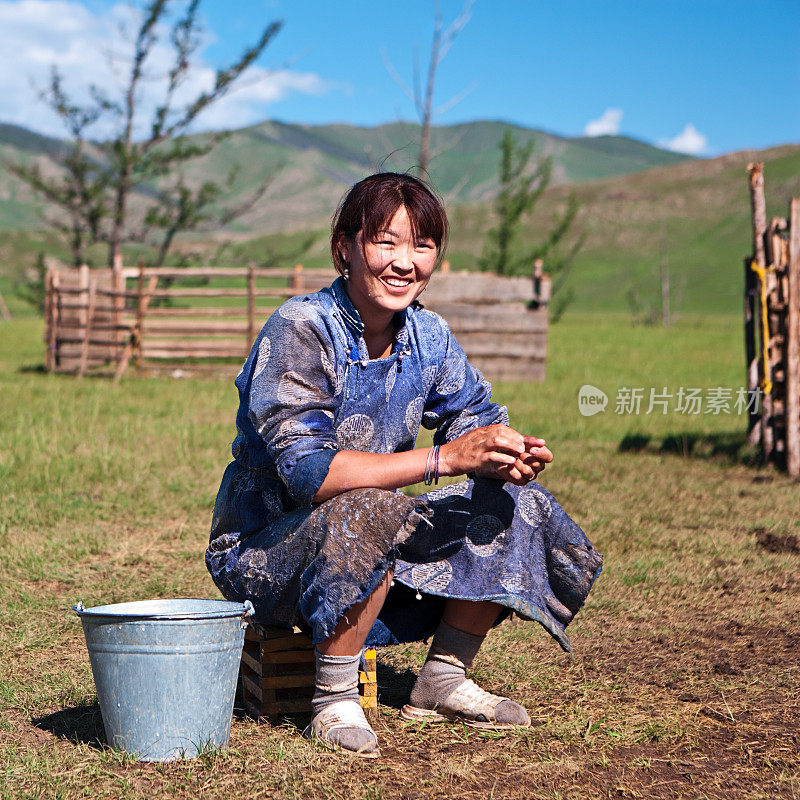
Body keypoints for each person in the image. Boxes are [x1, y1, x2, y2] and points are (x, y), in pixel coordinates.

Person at [206, 172, 602, 758]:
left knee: (517, 505)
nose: (403, 262)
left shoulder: (429, 336)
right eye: (385, 241)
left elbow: (471, 413)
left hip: (370, 533)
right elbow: (309, 475)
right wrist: (444, 458)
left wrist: (499, 452)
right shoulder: (300, 328)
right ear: (344, 248)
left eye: (421, 245)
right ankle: (333, 698)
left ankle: (443, 676)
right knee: (366, 507)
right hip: (266, 550)